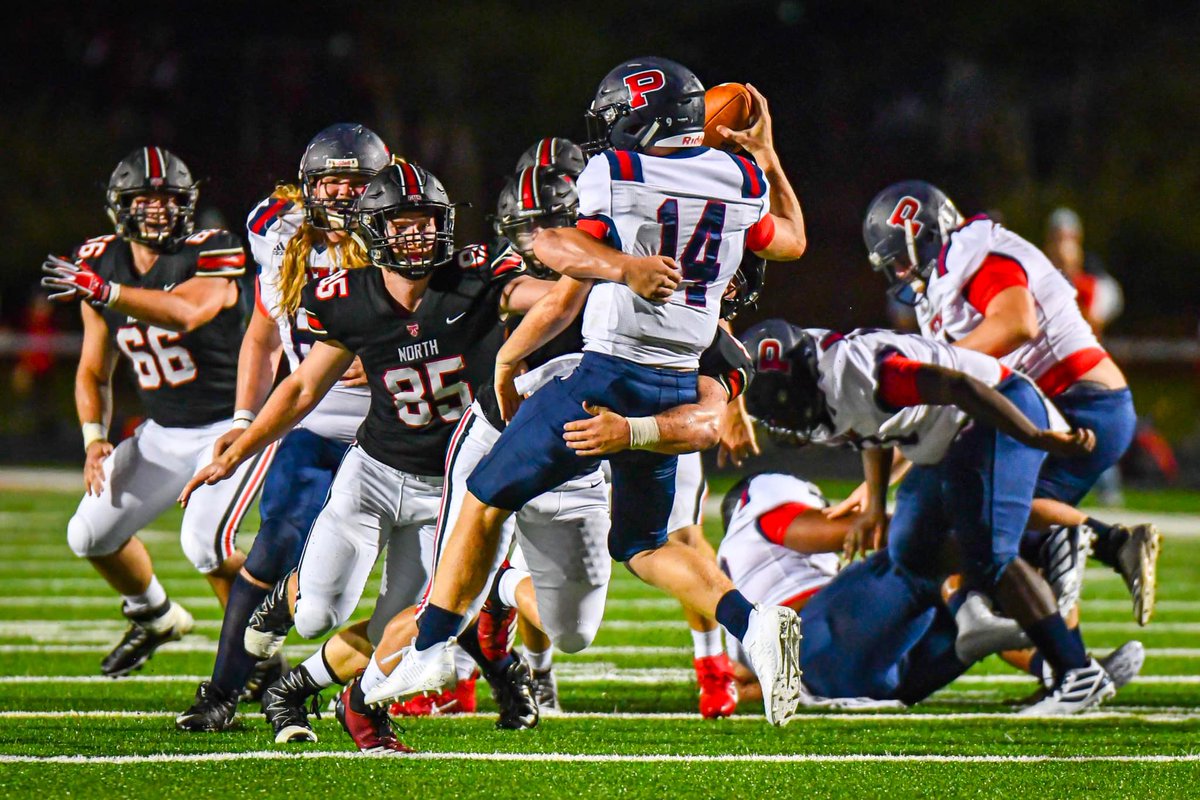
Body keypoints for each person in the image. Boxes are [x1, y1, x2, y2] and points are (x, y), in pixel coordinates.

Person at [364, 57, 810, 728]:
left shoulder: (619, 172)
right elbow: (793, 241)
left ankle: (431, 649)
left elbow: (558, 246)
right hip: (674, 378)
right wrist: (770, 158)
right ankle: (754, 625)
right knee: (646, 544)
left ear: (642, 116)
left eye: (614, 119)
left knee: (485, 494)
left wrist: (623, 266)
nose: (607, 133)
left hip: (607, 372)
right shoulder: (741, 178)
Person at [179, 162, 557, 752]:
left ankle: (316, 694)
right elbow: (304, 388)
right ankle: (289, 597)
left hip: (453, 487)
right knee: (317, 617)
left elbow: (545, 297)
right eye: (401, 225)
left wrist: (604, 276)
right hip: (375, 474)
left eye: (427, 224)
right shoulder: (346, 297)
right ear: (374, 230)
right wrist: (238, 447)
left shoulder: (476, 277)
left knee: (402, 627)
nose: (416, 237)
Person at [740, 320, 1123, 714]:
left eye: (790, 405)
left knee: (989, 552)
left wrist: (1033, 436)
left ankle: (1076, 672)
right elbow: (873, 429)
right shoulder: (822, 380)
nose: (792, 423)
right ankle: (986, 602)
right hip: (948, 433)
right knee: (912, 548)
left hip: (996, 409)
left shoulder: (870, 374)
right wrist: (873, 503)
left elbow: (958, 387)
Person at [857, 183, 1157, 626]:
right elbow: (942, 407)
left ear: (925, 237)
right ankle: (1069, 665)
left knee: (970, 513)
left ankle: (1111, 546)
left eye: (902, 259)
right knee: (1016, 553)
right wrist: (876, 486)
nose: (900, 273)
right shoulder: (946, 280)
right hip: (1061, 409)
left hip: (1079, 401)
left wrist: (941, 365)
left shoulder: (975, 253)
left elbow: (1017, 322)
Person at [175, 124, 390, 732]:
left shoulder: (403, 231)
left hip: (395, 433)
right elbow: (265, 333)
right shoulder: (278, 231)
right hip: (314, 421)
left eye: (358, 182)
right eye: (333, 181)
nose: (345, 195)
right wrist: (245, 419)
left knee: (396, 581)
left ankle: (496, 665)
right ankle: (220, 694)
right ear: (308, 185)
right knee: (276, 542)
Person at [40, 147, 270, 678]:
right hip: (163, 431)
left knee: (206, 544)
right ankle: (155, 615)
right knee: (89, 535)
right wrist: (94, 437)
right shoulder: (100, 260)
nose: (158, 210)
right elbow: (95, 369)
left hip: (230, 426)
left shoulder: (212, 248)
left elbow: (188, 312)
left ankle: (259, 654)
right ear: (121, 205)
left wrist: (109, 291)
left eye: (168, 199)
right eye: (145, 199)